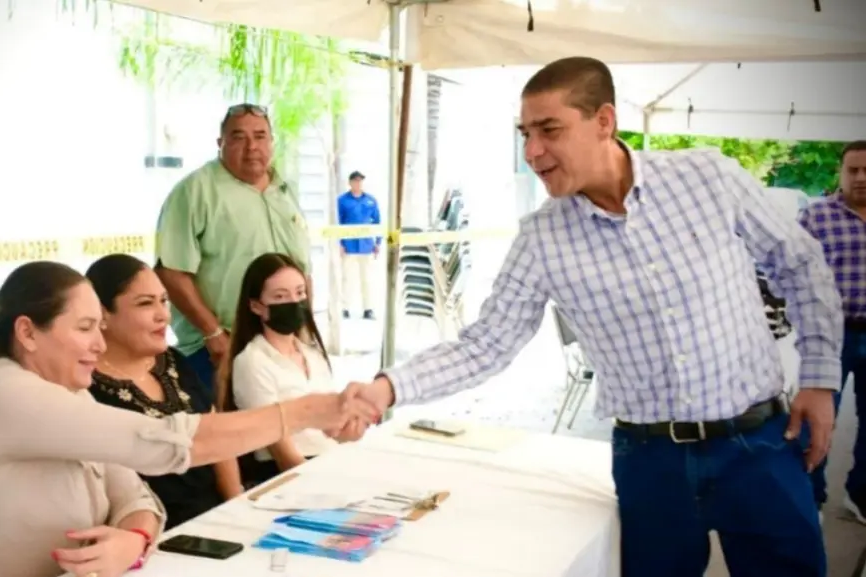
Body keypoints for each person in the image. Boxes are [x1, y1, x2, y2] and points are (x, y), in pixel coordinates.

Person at [339, 57, 843, 577]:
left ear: (604, 120)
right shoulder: (542, 238)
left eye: (549, 130)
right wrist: (387, 388)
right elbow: (485, 345)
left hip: (758, 443)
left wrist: (820, 379)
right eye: (525, 133)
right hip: (651, 463)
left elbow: (798, 263)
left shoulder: (706, 176)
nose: (532, 151)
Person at [0, 261, 376, 577]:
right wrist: (308, 410)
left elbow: (137, 495)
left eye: (100, 327)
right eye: (85, 328)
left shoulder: (74, 402)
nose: (99, 344)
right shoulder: (7, 395)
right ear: (28, 333)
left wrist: (132, 539)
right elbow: (167, 442)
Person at [155, 103, 312, 396]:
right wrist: (213, 333)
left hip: (281, 341)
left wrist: (306, 329)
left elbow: (303, 269)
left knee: (281, 432)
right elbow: (171, 272)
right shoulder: (195, 191)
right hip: (219, 347)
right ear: (220, 143)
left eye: (260, 136)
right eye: (239, 137)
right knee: (228, 435)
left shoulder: (285, 190)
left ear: (272, 141)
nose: (252, 147)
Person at [85, 254, 244, 529]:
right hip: (147, 534)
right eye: (146, 303)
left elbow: (217, 439)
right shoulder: (86, 385)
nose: (164, 315)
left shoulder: (173, 361)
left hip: (216, 521)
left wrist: (237, 510)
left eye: (164, 301)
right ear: (102, 314)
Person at [217, 253, 340, 485]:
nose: (294, 303)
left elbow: (337, 428)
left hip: (330, 464)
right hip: (289, 477)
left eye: (300, 292)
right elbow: (284, 456)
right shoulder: (252, 362)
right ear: (256, 306)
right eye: (280, 296)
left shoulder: (312, 354)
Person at [799, 140, 866, 523]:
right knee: (815, 421)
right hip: (830, 338)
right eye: (852, 170)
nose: (860, 178)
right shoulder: (816, 217)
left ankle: (862, 495)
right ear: (839, 173)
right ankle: (810, 498)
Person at [337, 170, 382, 319]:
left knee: (367, 278)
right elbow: (338, 223)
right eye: (355, 181)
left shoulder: (370, 200)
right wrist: (340, 243)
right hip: (349, 245)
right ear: (350, 183)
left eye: (360, 181)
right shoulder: (342, 201)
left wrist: (378, 243)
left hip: (366, 246)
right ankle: (345, 307)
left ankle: (368, 308)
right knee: (347, 278)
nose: (358, 183)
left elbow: (377, 222)